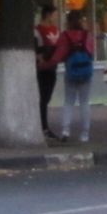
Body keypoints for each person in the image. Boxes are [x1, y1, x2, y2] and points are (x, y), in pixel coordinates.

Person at [40, 9, 95, 143]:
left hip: (71, 72)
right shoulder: (87, 35)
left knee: (68, 101)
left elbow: (58, 56)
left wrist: (44, 65)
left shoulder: (65, 36)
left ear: (68, 22)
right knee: (84, 102)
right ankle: (85, 133)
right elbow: (91, 53)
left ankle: (65, 130)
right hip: (86, 72)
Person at [34, 4, 60, 139]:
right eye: (54, 15)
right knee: (42, 98)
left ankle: (44, 126)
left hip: (52, 67)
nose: (56, 18)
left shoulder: (55, 30)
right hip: (42, 69)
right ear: (48, 15)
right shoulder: (38, 31)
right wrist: (41, 60)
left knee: (47, 97)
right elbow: (37, 49)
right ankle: (43, 126)